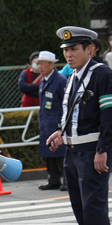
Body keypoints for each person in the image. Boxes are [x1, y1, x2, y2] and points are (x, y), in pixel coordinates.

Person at [46, 26, 112, 225]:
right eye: (66, 50)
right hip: (73, 150)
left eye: (74, 49)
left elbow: (111, 116)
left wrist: (103, 150)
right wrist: (60, 132)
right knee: (81, 210)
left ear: (90, 49)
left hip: (92, 151)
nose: (68, 54)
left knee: (94, 210)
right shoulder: (74, 76)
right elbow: (73, 114)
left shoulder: (101, 74)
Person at [36, 51, 67, 191]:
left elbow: (65, 104)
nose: (40, 66)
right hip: (46, 123)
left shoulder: (60, 80)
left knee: (61, 154)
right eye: (38, 63)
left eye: (43, 63)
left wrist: (61, 124)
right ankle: (53, 180)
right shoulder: (43, 81)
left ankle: (67, 181)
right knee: (49, 153)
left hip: (56, 123)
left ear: (52, 64)